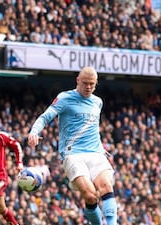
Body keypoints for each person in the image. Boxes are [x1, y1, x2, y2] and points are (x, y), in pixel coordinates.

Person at [28, 66, 117, 225]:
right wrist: (34, 132)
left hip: (96, 153)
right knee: (90, 195)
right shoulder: (64, 98)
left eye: (92, 84)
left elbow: (91, 127)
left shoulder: (98, 102)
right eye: (85, 83)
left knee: (106, 186)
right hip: (73, 154)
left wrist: (100, 146)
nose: (88, 87)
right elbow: (45, 117)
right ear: (77, 80)